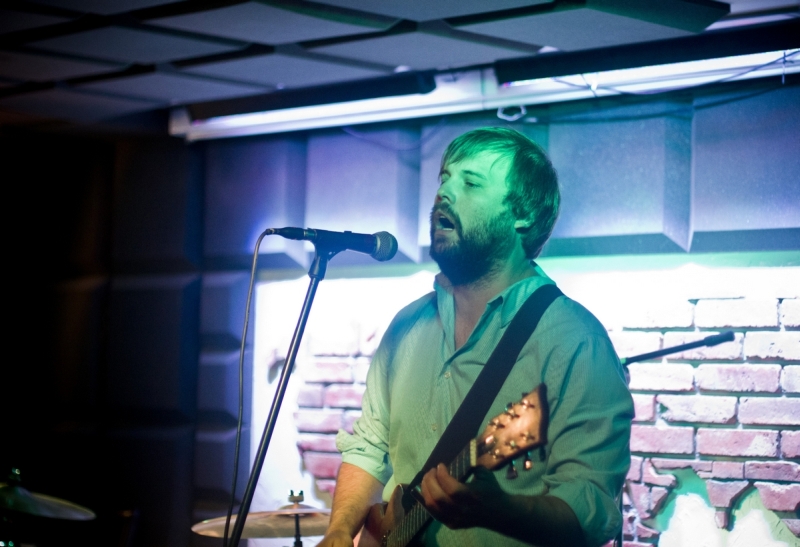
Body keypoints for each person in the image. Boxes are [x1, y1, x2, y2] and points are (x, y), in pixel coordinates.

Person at [318, 127, 633, 547]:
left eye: (471, 183)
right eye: (445, 178)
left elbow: (590, 510)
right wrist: (340, 530)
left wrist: (501, 510)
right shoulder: (405, 327)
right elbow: (369, 448)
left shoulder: (575, 341)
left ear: (522, 214)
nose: (444, 193)